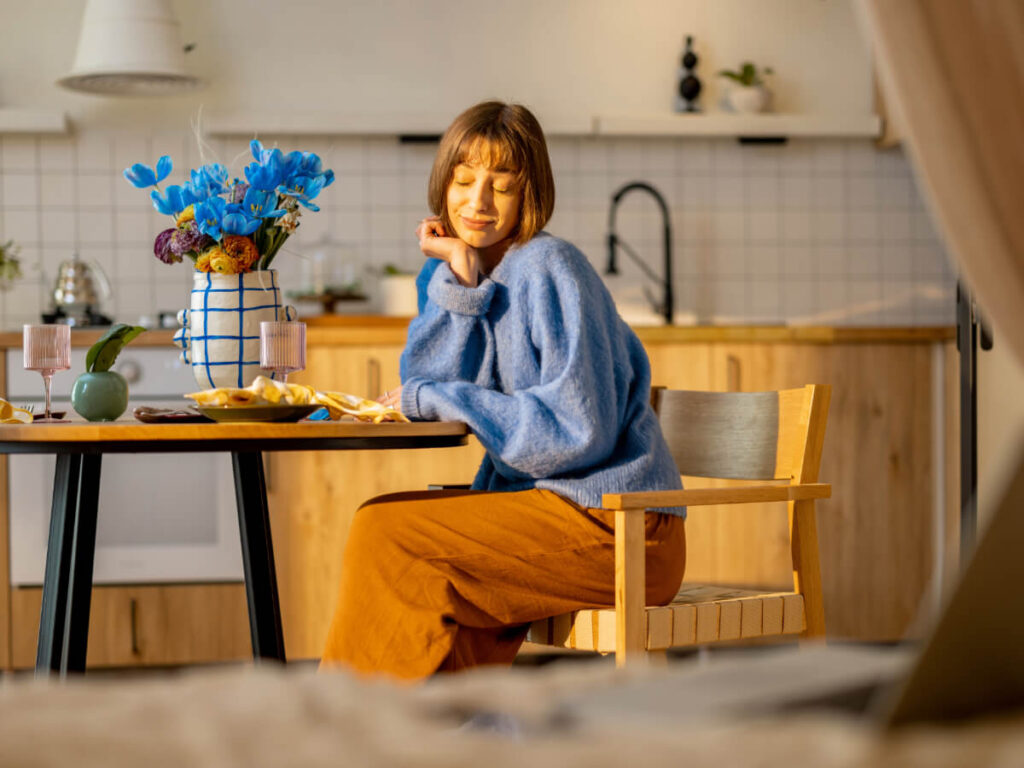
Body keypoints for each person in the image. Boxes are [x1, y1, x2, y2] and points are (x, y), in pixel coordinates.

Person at [320, 101, 686, 680]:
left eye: (502, 184)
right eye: (464, 180)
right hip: (555, 514)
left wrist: (440, 399)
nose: (478, 201)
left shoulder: (550, 266)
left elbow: (576, 431)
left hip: (621, 526)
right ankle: (419, 734)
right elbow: (429, 381)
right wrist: (460, 278)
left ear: (530, 192)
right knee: (384, 525)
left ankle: (346, 731)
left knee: (389, 536)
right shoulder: (465, 272)